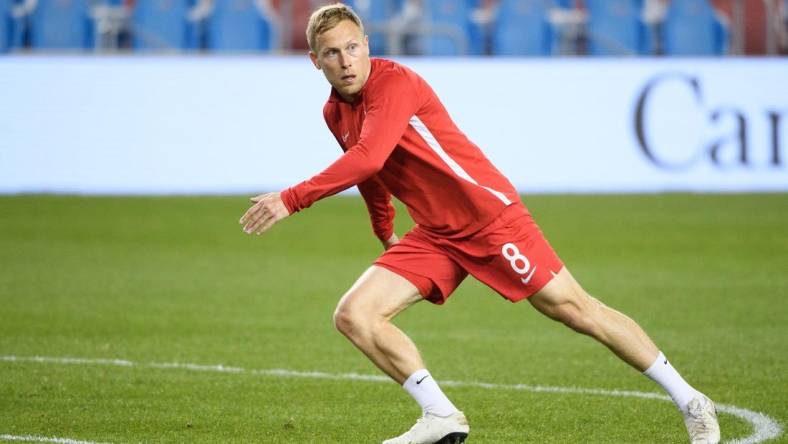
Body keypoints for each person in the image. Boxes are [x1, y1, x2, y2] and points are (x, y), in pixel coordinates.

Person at [239, 4, 720, 444]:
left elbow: (367, 159)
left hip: (488, 216)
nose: (345, 61)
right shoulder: (334, 110)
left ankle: (691, 400)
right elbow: (372, 172)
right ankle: (441, 415)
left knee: (573, 309)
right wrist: (383, 227)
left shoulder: (394, 83)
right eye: (332, 53)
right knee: (354, 315)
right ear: (314, 61)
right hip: (436, 232)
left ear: (366, 45)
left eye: (352, 47)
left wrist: (291, 198)